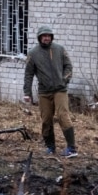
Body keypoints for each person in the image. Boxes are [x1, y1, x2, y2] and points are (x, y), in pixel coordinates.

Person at [23, 25, 77, 158]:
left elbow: (68, 66)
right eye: (44, 36)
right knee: (46, 119)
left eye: (48, 36)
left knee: (63, 115)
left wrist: (64, 80)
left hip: (60, 90)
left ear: (51, 37)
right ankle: (50, 147)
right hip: (44, 92)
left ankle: (71, 148)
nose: (46, 38)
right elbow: (28, 74)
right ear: (40, 37)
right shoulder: (33, 53)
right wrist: (27, 92)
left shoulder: (59, 49)